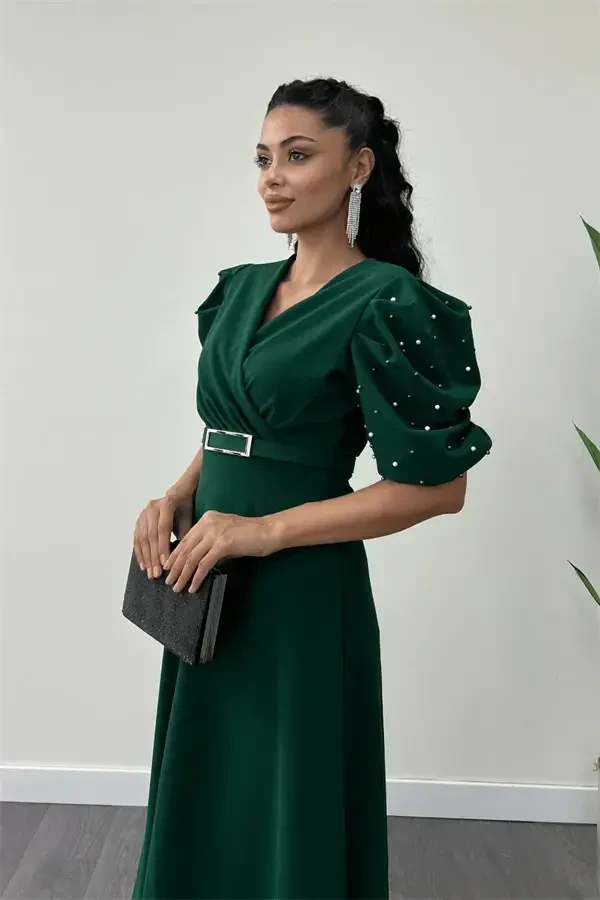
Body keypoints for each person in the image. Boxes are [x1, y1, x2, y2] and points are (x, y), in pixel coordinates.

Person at [131, 76, 492, 900]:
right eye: (263, 159)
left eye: (298, 156)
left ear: (358, 167)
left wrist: (261, 531)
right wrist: (175, 496)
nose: (273, 178)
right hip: (206, 579)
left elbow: (438, 490)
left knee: (289, 793)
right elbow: (233, 430)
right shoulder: (239, 290)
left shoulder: (387, 300)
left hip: (299, 595)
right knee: (211, 785)